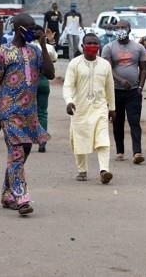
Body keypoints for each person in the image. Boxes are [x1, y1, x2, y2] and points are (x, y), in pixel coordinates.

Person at [0, 13, 55, 215]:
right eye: (30, 27)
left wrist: (43, 44)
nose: (34, 30)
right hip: (9, 114)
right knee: (16, 153)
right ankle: (21, 198)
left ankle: (7, 194)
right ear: (18, 28)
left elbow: (49, 74)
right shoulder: (3, 53)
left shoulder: (35, 51)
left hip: (29, 114)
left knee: (22, 153)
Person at [63, 33, 116, 184]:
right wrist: (69, 101)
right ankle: (82, 170)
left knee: (103, 139)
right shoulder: (75, 64)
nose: (92, 46)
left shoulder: (105, 65)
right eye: (89, 43)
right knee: (78, 139)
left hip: (99, 108)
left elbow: (109, 88)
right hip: (79, 108)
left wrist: (112, 108)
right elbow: (68, 85)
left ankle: (104, 170)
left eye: (95, 43)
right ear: (82, 46)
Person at [102, 20, 146, 164]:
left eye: (123, 27)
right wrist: (120, 80)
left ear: (129, 29)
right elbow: (108, 69)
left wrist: (140, 87)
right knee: (117, 122)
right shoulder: (109, 48)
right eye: (118, 28)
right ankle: (120, 151)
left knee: (134, 121)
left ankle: (137, 152)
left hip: (133, 92)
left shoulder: (138, 48)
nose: (120, 30)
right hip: (115, 91)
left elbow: (144, 68)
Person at [32, 25, 58, 153]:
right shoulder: (49, 48)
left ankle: (26, 139)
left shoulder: (27, 47)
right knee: (42, 112)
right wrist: (50, 42)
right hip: (43, 81)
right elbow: (54, 59)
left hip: (29, 81)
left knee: (27, 111)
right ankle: (42, 141)